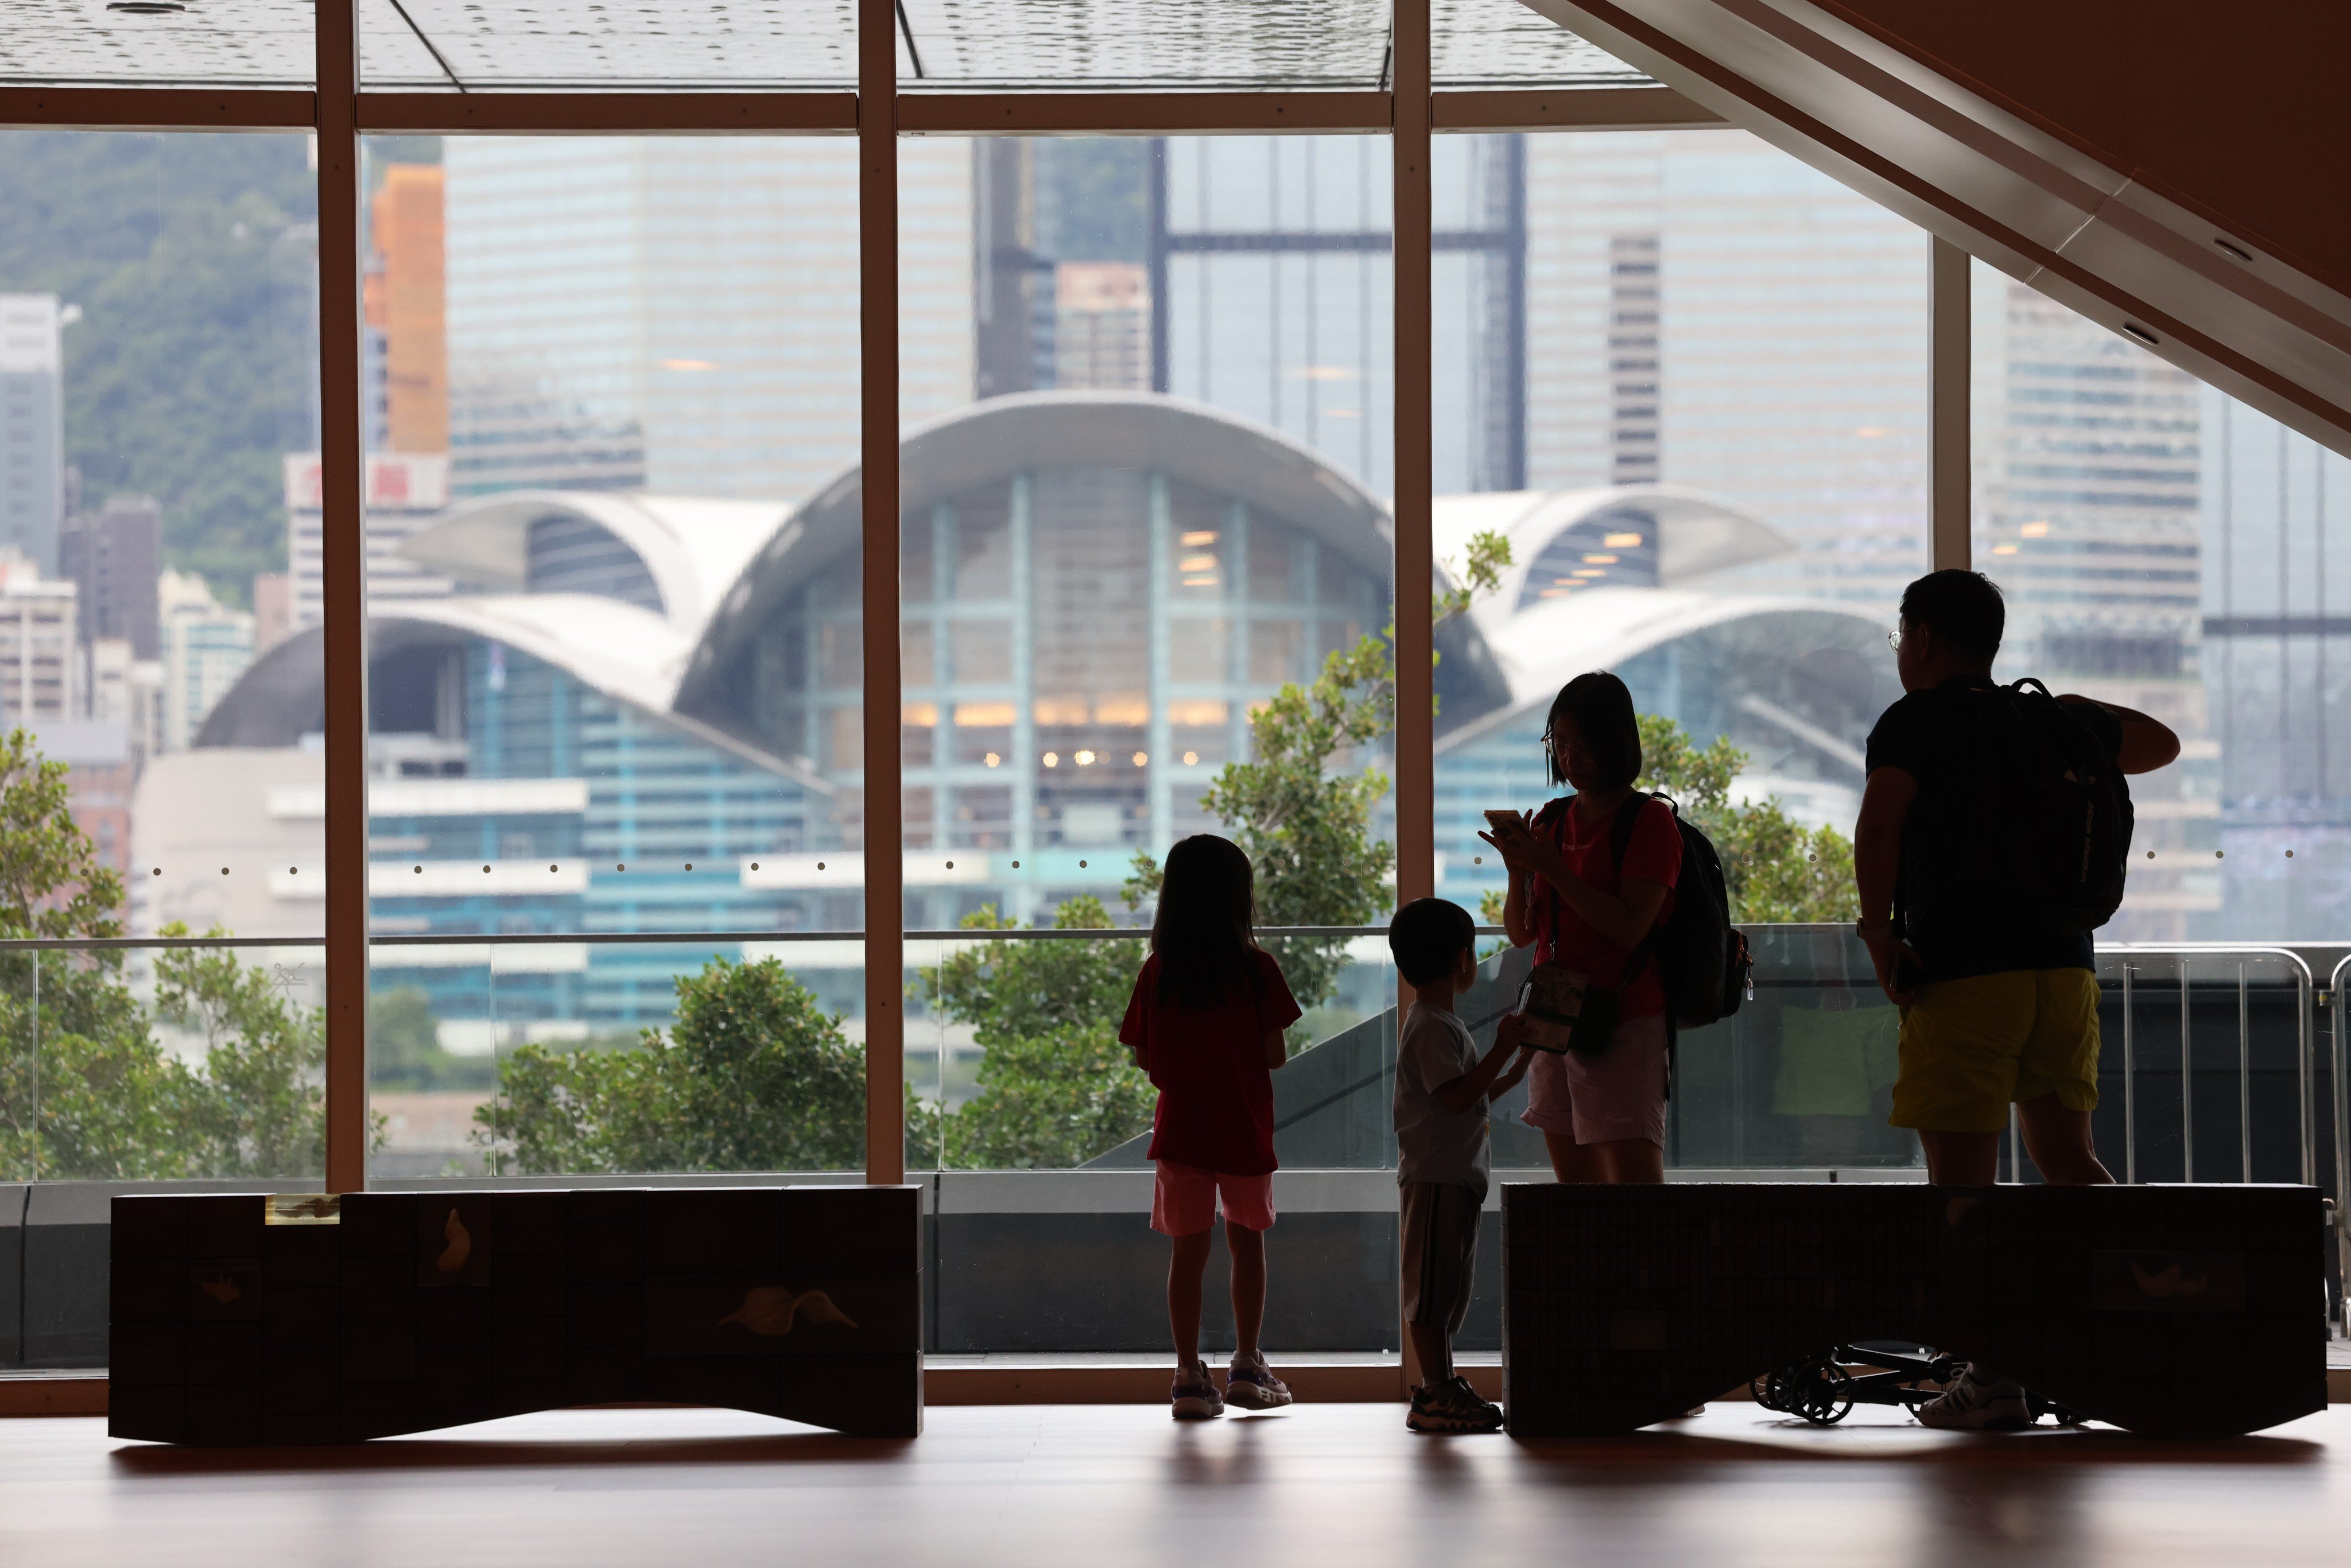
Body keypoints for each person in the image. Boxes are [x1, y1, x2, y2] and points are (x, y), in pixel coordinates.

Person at [1855, 569, 2180, 1429]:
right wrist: (2074, 713)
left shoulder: (1914, 721)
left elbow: (1881, 821)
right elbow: (2161, 744)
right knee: (2071, 1167)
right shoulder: (2049, 719)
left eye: (1901, 638)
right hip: (2064, 974)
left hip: (1965, 975)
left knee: (1962, 1193)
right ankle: (2096, 1358)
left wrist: (1879, 934)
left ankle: (1993, 1378)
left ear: (1921, 639)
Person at [1118, 833, 1302, 1420]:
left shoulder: (1159, 971)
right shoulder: (1255, 968)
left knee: (1187, 1251)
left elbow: (1146, 1060)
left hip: (1180, 1128)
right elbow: (1274, 1054)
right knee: (1247, 1242)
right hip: (1244, 1124)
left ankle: (1187, 1373)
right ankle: (1247, 1361)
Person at [1480, 671, 1682, 1184]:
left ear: (1616, 742)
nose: (1569, 758)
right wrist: (1519, 870)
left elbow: (1630, 928)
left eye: (1582, 744)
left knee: (1633, 1194)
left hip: (1621, 1019)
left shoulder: (1648, 822)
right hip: (1554, 1020)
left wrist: (1551, 870)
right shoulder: (1552, 818)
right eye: (1560, 743)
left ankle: (1645, 1271)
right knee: (1578, 1198)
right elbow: (1524, 934)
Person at [1388, 896, 1535, 1434]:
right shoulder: (1430, 1026)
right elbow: (1454, 1097)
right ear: (1463, 960)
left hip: (1454, 1177)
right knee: (1431, 1293)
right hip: (1436, 1176)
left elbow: (1466, 1094)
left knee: (1446, 1288)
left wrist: (1517, 1066)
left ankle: (1443, 1384)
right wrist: (1502, 1052)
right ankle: (1433, 1392)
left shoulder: (1439, 1022)